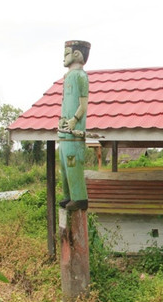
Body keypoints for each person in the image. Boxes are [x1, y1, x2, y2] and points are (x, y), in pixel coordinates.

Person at [58, 40, 91, 211]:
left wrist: (74, 119)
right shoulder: (67, 77)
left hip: (74, 131)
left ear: (77, 54)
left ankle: (79, 198)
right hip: (63, 131)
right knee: (63, 165)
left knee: (72, 164)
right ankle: (68, 195)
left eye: (66, 54)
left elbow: (83, 105)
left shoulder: (80, 76)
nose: (63, 58)